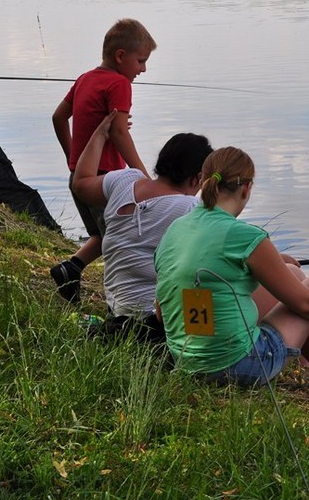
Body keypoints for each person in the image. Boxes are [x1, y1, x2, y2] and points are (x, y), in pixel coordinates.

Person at [154, 147, 309, 395]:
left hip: (187, 365)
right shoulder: (244, 235)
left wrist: (276, 262)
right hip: (242, 367)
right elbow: (307, 305)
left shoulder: (175, 229)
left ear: (203, 182)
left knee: (292, 274)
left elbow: (162, 312)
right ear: (246, 189)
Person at [72, 111, 212, 343]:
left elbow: (81, 183)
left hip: (118, 315)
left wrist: (99, 135)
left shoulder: (124, 182)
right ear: (197, 177)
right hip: (159, 325)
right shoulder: (190, 208)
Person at [50, 18, 156, 304]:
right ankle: (119, 305)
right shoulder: (119, 83)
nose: (143, 69)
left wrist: (73, 159)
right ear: (121, 56)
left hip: (80, 177)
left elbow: (58, 117)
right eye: (141, 61)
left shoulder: (85, 78)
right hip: (105, 181)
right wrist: (143, 177)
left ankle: (70, 269)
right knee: (120, 240)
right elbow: (119, 133)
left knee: (102, 234)